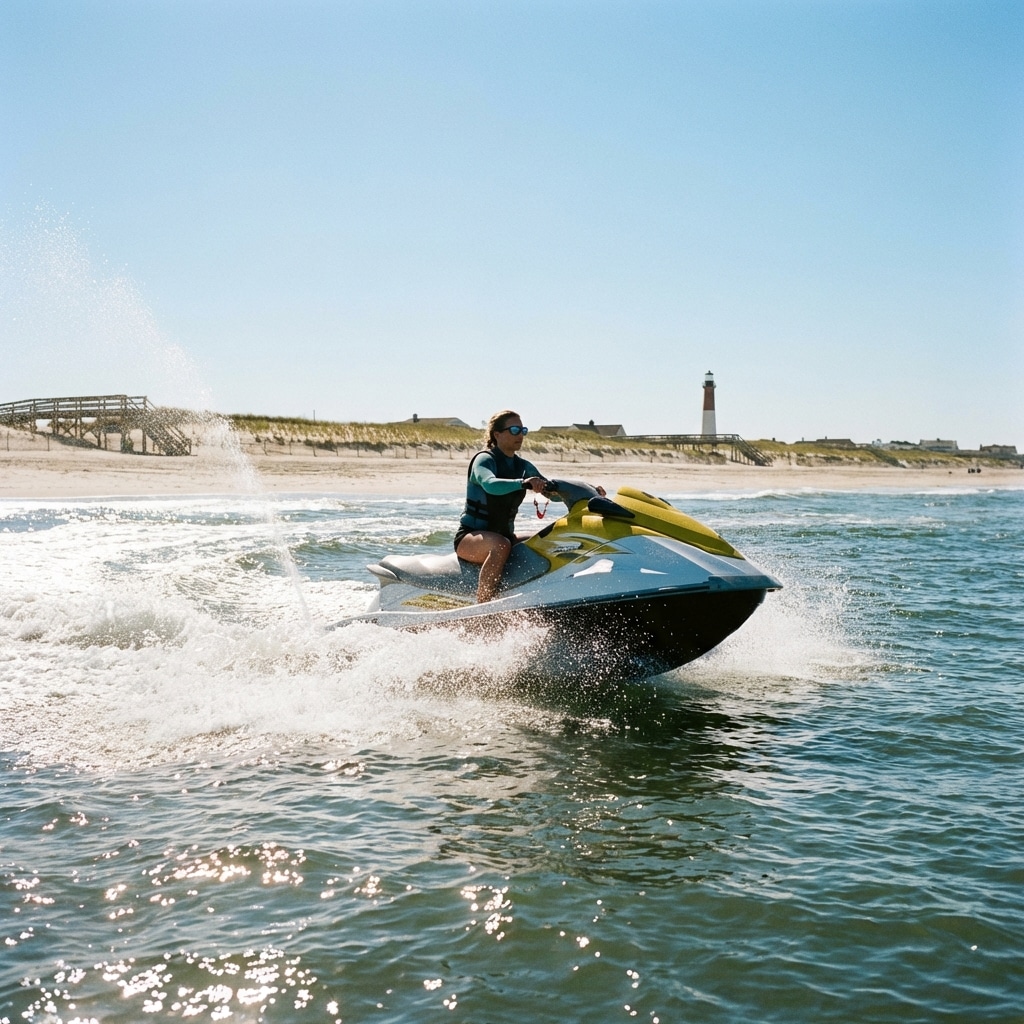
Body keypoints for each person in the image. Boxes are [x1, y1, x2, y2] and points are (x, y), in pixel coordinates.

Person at [455, 409, 604, 603]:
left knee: (548, 538)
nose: (520, 435)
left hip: (506, 536)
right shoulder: (484, 460)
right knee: (500, 545)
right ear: (497, 434)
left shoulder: (524, 466)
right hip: (470, 537)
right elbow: (490, 485)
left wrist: (589, 491)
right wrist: (523, 483)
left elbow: (552, 493)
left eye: (523, 430)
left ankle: (540, 596)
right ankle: (483, 606)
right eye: (514, 430)